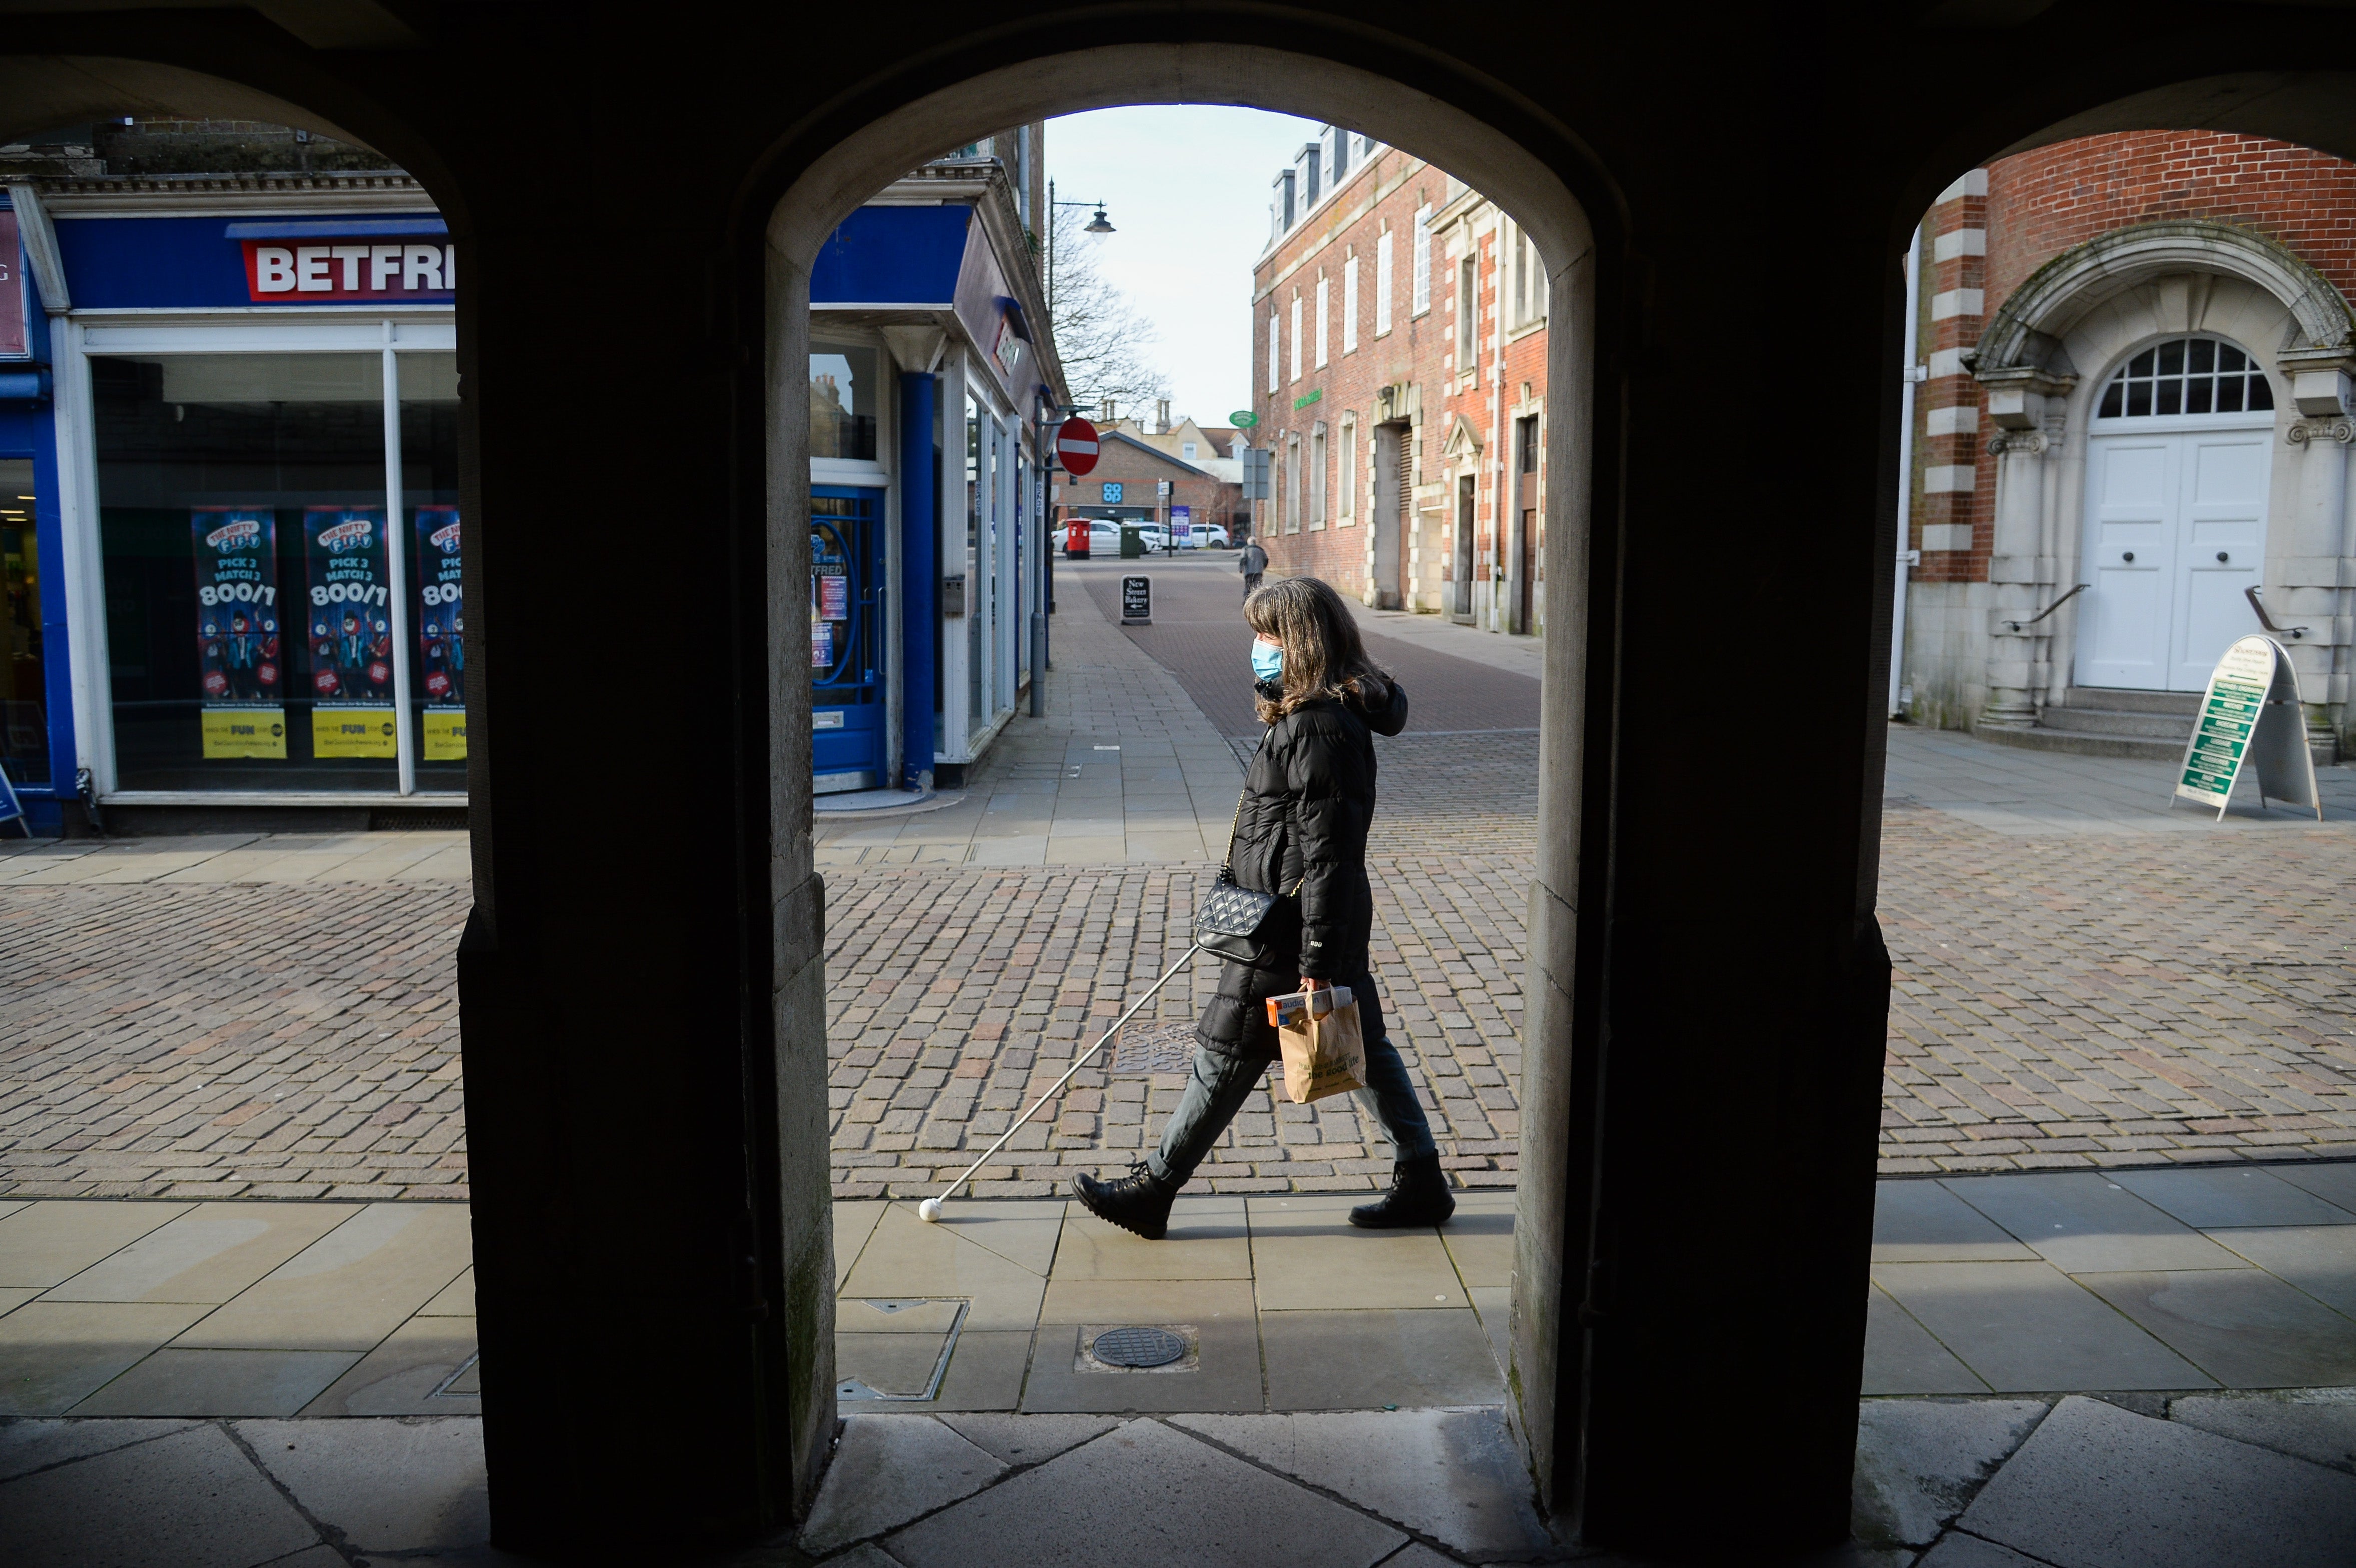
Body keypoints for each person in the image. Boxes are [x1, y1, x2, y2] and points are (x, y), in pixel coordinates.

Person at [1073, 575, 1453, 1239]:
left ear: (1300, 643)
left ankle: (1154, 1188)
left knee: (1226, 1048)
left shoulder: (1317, 728)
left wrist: (1316, 957)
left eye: (1267, 635)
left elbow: (1329, 852)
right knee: (1355, 1040)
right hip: (1284, 915)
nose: (1256, 647)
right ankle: (1419, 1176)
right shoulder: (1309, 716)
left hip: (1288, 923)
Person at [1236, 536, 1267, 602]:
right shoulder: (1261, 550)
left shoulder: (1246, 549)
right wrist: (1263, 567)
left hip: (1249, 571)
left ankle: (1247, 601)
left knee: (1248, 586)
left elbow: (1243, 559)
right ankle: (1258, 601)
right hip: (1259, 571)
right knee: (1258, 587)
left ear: (1248, 542)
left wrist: (1241, 568)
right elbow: (1266, 559)